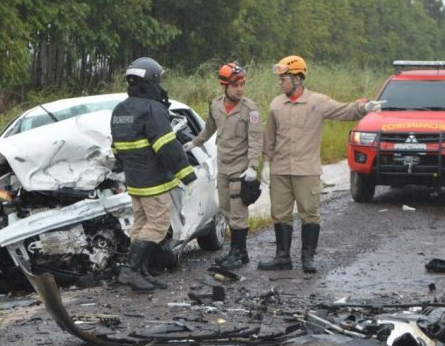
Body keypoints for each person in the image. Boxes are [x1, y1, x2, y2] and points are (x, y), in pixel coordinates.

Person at [258, 55, 383, 273]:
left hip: (306, 170)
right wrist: (266, 162)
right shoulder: (276, 104)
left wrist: (364, 108)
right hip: (280, 170)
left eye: (284, 79)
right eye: (280, 79)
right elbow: (269, 136)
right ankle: (282, 257)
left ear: (297, 79)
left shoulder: (317, 102)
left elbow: (344, 110)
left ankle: (308, 259)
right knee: (279, 213)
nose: (280, 83)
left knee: (309, 212)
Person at [110, 57, 197, 290]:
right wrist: (187, 175)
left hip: (135, 182)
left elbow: (117, 150)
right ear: (150, 80)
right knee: (158, 225)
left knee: (141, 225)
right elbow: (167, 146)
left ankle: (141, 271)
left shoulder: (120, 110)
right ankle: (130, 270)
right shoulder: (152, 108)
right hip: (154, 182)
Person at [183, 62, 262, 269]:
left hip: (240, 169)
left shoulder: (250, 109)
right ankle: (241, 252)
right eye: (235, 85)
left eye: (242, 85)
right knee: (226, 209)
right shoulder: (215, 106)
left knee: (238, 212)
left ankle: (236, 253)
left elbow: (255, 140)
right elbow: (209, 129)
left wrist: (253, 167)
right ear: (224, 86)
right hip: (223, 167)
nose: (240, 89)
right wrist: (194, 143)